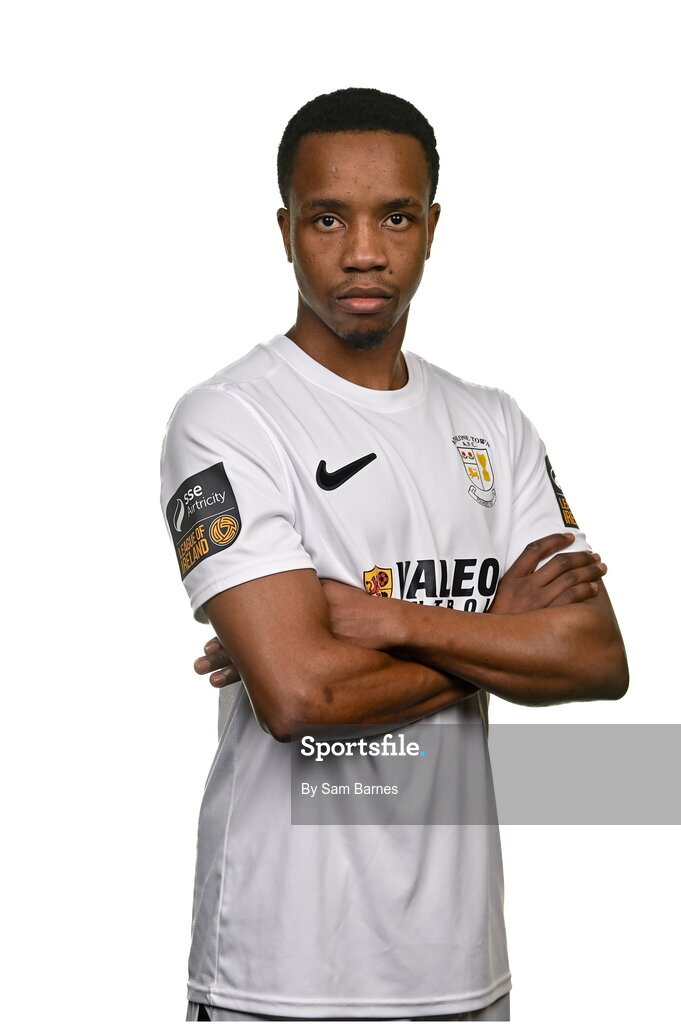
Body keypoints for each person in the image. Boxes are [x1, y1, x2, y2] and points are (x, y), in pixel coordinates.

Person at [160, 87, 628, 1023]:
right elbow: (303, 698)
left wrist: (396, 624)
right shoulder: (227, 421)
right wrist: (497, 636)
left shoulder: (490, 424)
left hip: (460, 972)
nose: (364, 250)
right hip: (282, 971)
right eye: (328, 217)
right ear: (285, 229)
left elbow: (597, 659)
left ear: (431, 226)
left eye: (395, 217)